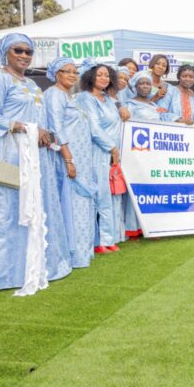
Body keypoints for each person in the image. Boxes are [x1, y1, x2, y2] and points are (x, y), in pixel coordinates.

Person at [0, 33, 72, 292]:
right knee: (9, 208)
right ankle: (5, 274)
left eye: (28, 52)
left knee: (40, 204)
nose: (24, 55)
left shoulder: (31, 84)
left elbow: (38, 117)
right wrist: (23, 127)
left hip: (37, 153)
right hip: (11, 151)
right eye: (18, 50)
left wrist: (42, 131)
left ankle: (45, 265)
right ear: (5, 52)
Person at [45, 57, 102, 265]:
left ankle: (83, 251)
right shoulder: (54, 95)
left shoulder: (71, 97)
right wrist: (68, 159)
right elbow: (56, 128)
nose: (72, 75)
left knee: (83, 203)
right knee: (71, 201)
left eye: (75, 71)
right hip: (67, 158)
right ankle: (72, 253)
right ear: (55, 74)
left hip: (82, 158)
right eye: (66, 71)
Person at [77, 62, 126, 254]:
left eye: (107, 75)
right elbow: (94, 128)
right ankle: (97, 241)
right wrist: (112, 148)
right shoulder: (86, 98)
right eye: (100, 75)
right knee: (99, 195)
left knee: (107, 196)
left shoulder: (108, 99)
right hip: (97, 151)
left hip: (110, 153)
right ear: (90, 77)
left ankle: (107, 238)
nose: (104, 78)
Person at [123, 71, 162, 238]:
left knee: (152, 186)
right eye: (141, 83)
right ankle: (134, 227)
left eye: (148, 83)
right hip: (137, 152)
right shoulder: (129, 105)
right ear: (135, 86)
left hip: (154, 153)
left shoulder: (154, 106)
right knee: (137, 185)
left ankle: (151, 224)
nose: (145, 86)